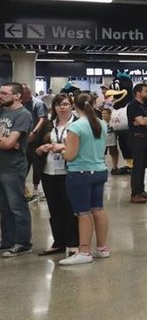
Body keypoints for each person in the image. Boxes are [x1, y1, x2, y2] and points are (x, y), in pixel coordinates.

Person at [57, 93, 110, 265]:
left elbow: (71, 155)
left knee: (83, 212)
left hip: (80, 173)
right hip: (99, 170)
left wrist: (60, 149)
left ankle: (84, 250)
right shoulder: (102, 124)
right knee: (98, 209)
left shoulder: (76, 127)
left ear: (74, 106)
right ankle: (102, 248)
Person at [36, 94, 79, 257]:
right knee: (54, 208)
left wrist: (64, 146)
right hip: (49, 170)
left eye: (66, 104)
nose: (62, 107)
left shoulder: (77, 124)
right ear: (53, 107)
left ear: (72, 106)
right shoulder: (48, 124)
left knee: (69, 208)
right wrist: (41, 149)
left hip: (69, 171)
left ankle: (72, 242)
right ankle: (58, 241)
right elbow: (36, 144)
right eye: (58, 104)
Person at [0, 83, 34, 257]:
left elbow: (9, 143)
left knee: (16, 205)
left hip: (13, 167)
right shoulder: (3, 112)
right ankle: (7, 239)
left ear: (17, 96)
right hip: (2, 165)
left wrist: (8, 142)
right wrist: (6, 141)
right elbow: (6, 142)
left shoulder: (23, 115)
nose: (1, 96)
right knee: (4, 206)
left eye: (5, 93)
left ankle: (22, 241)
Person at [127, 84, 147, 203]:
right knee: (137, 167)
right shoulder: (133, 105)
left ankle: (141, 190)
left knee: (143, 166)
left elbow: (145, 121)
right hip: (137, 139)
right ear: (138, 92)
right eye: (146, 91)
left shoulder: (144, 106)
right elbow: (142, 121)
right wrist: (144, 121)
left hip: (146, 138)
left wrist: (145, 121)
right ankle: (135, 193)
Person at [23, 84, 48, 202]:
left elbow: (42, 118)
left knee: (38, 165)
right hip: (24, 141)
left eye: (27, 92)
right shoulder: (20, 104)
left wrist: (34, 131)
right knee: (24, 165)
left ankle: (36, 189)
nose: (25, 95)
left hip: (37, 140)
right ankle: (24, 189)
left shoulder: (37, 104)